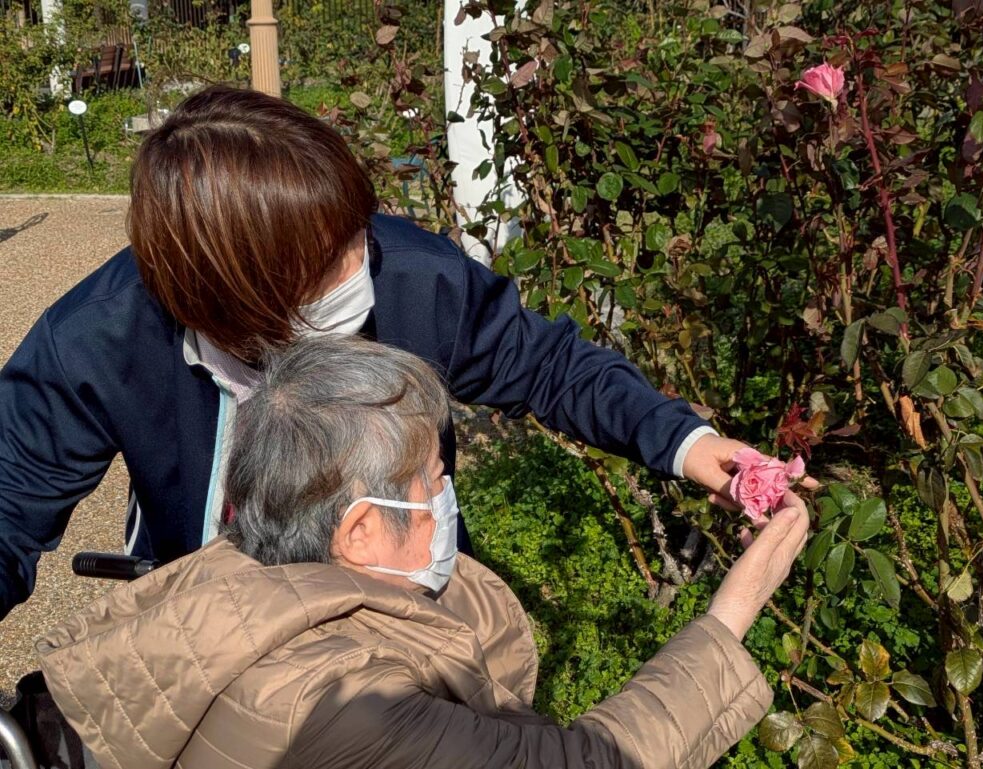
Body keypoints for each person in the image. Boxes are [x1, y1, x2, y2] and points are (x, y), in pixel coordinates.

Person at [0, 85, 761, 620]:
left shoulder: (415, 276)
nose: (362, 264)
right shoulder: (100, 337)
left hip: (404, 601)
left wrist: (684, 443)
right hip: (216, 608)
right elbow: (8, 504)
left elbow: (549, 365)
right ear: (235, 295)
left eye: (354, 228)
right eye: (326, 260)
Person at [35, 336, 810, 769]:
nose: (446, 495)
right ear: (359, 531)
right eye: (434, 479)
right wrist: (732, 611)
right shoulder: (348, 706)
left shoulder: (233, 571)